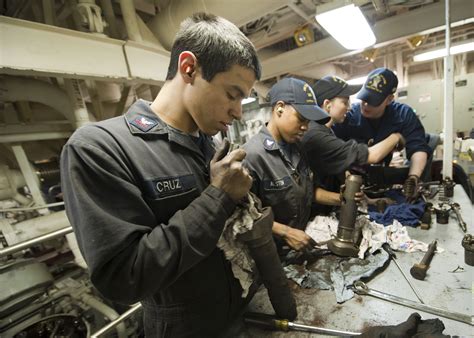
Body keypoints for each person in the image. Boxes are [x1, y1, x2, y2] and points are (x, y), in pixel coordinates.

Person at [60, 13, 261, 337]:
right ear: (188, 68)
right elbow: (124, 276)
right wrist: (219, 197)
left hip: (243, 315)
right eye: (232, 94)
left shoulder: (209, 146)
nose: (238, 111)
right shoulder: (100, 148)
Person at [243, 77, 330, 252]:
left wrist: (342, 199)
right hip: (269, 256)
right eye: (301, 118)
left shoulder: (298, 149)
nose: (306, 127)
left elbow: (305, 192)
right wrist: (285, 233)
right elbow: (243, 218)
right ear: (280, 108)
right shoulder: (251, 156)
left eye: (308, 122)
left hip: (299, 250)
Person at [300, 75, 404, 206]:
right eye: (344, 102)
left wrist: (367, 200)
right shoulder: (316, 134)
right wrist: (396, 137)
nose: (349, 108)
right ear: (327, 105)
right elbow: (372, 155)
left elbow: (339, 169)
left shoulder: (326, 131)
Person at [332, 68, 431, 201]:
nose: (365, 104)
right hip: (352, 179)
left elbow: (418, 148)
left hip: (381, 176)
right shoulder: (348, 117)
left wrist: (413, 177)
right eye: (364, 97)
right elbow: (333, 152)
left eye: (373, 101)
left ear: (389, 99)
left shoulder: (403, 115)